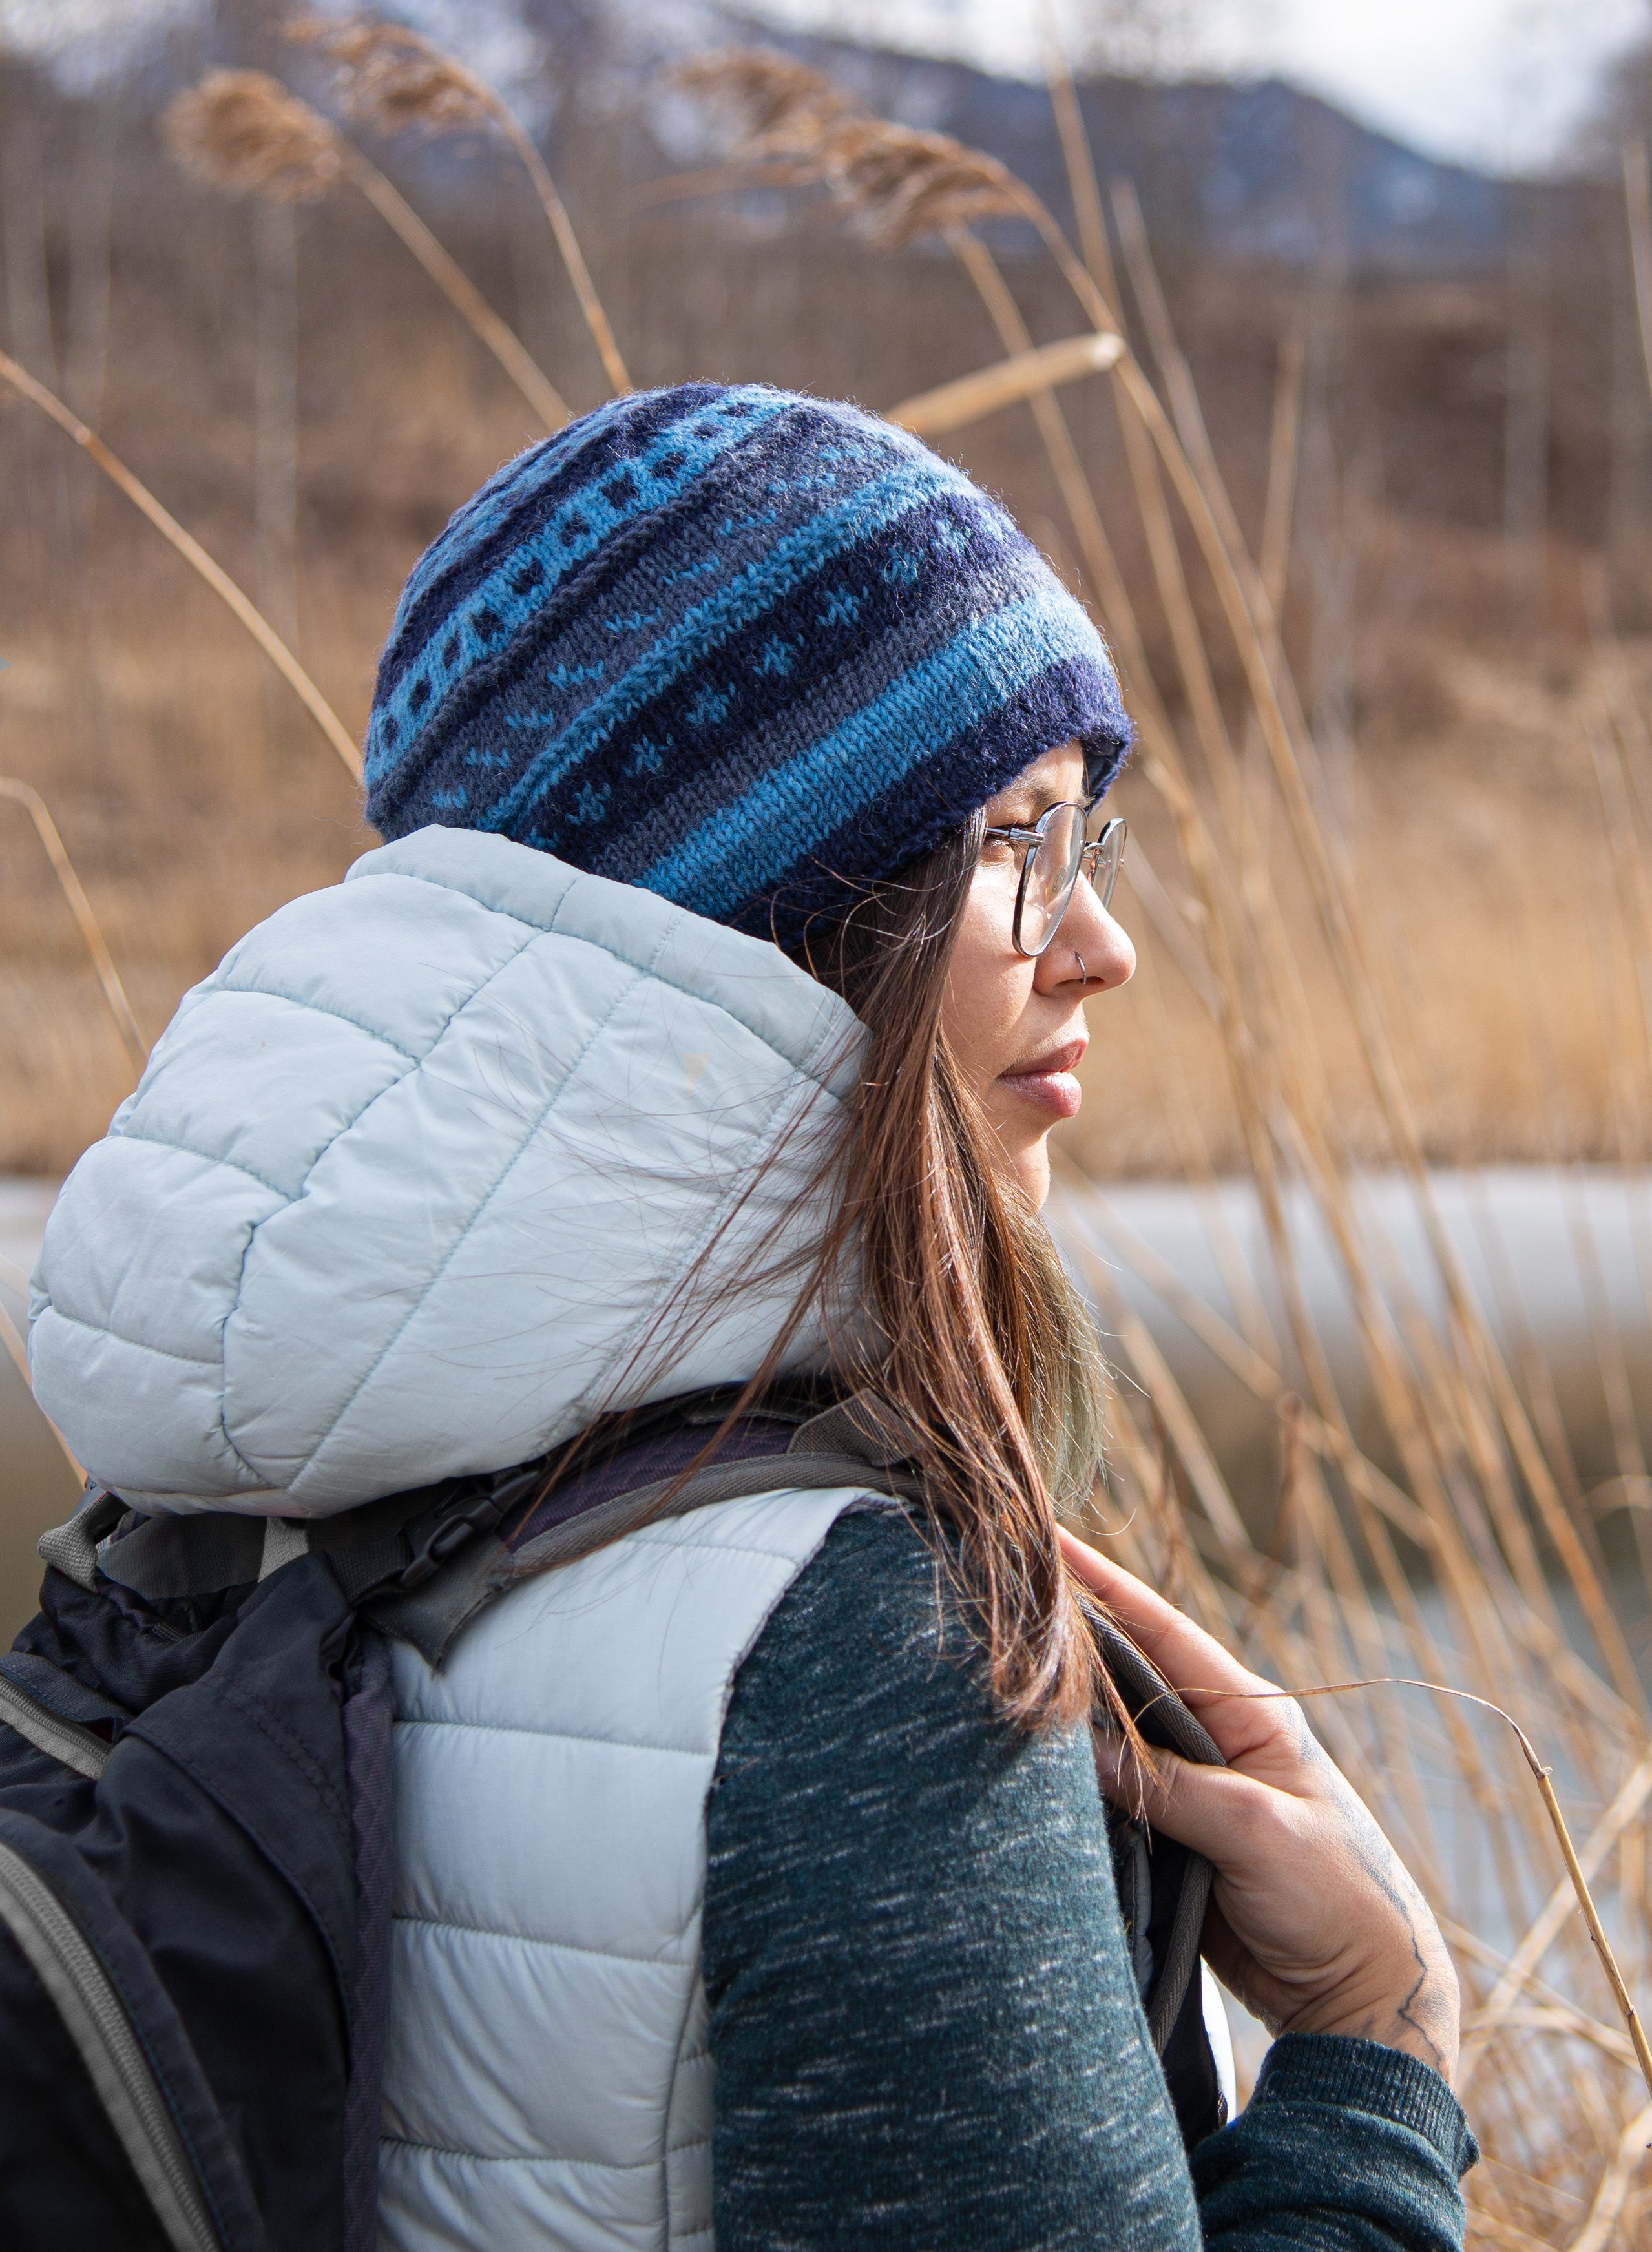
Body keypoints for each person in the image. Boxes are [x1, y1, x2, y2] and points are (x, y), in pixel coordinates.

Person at [27, 384, 1474, 2249]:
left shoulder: (222, 1508)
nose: (1101, 942)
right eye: (1021, 838)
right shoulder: (854, 1647)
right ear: (790, 905)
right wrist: (1377, 2056)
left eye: (1088, 838)